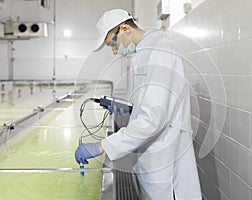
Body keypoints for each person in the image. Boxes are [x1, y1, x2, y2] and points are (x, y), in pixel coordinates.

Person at [75, 9, 202, 200]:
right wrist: (130, 110)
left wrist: (102, 146)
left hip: (165, 158)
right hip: (152, 155)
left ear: (125, 28)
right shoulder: (144, 52)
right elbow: (154, 102)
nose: (115, 51)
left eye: (113, 43)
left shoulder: (160, 50)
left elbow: (154, 118)